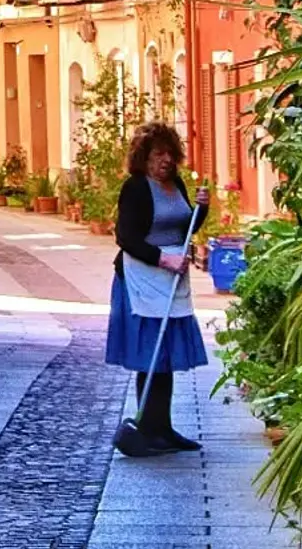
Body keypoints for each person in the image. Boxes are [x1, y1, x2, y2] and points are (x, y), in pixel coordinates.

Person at [106, 121, 210, 455]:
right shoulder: (136, 188)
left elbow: (185, 226)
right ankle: (147, 430)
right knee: (150, 358)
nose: (165, 160)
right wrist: (163, 260)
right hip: (141, 281)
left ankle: (162, 429)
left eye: (169, 153)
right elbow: (126, 238)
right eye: (157, 154)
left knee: (163, 359)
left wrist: (202, 209)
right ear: (144, 157)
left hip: (170, 280)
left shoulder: (176, 184)